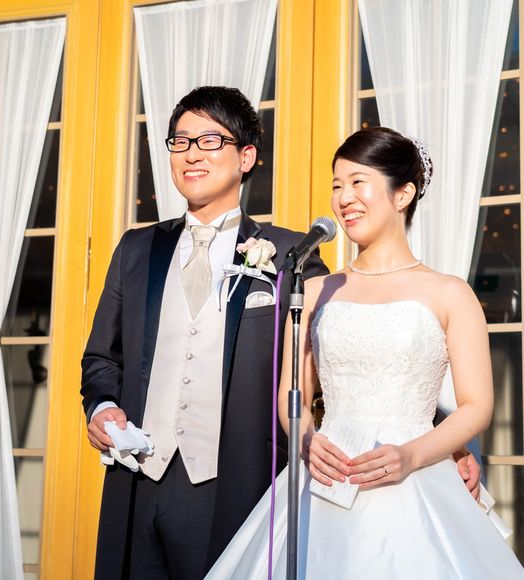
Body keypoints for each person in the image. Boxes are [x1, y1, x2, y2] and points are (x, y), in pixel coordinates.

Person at [205, 127, 524, 579]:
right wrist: (306, 440)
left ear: (403, 194)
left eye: (358, 182)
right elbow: (292, 395)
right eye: (337, 185)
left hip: (415, 476)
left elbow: (477, 407)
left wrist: (411, 456)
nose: (344, 198)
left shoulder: (450, 293)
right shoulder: (316, 289)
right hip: (326, 478)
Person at [80, 86, 328, 580]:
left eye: (210, 140)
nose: (192, 154)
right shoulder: (135, 249)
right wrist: (102, 407)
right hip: (138, 479)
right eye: (181, 141)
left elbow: (339, 361)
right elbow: (102, 357)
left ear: (246, 157)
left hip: (236, 486)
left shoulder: (291, 256)